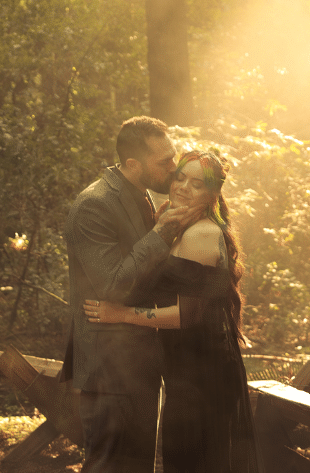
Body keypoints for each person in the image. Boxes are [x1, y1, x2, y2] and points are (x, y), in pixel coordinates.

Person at [83, 150, 258, 473]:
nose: (183, 188)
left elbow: (186, 315)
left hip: (207, 373)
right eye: (180, 178)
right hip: (186, 370)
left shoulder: (201, 233)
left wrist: (121, 314)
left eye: (196, 184)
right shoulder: (179, 225)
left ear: (212, 194)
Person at [64, 116, 206, 473]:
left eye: (173, 157)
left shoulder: (139, 194)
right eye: (165, 162)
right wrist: (162, 232)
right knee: (109, 467)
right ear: (132, 164)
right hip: (109, 368)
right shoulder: (92, 205)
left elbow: (149, 273)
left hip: (140, 363)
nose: (174, 170)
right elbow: (112, 286)